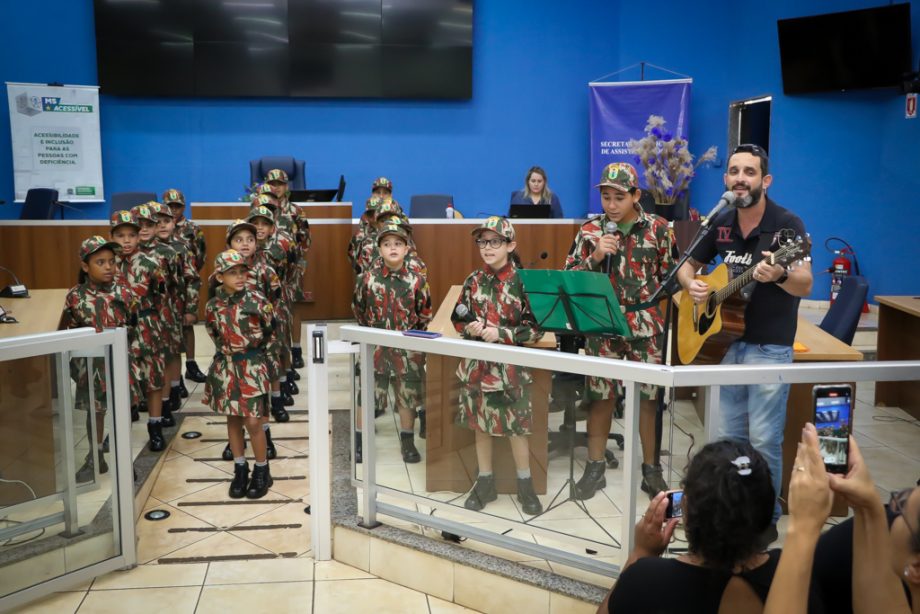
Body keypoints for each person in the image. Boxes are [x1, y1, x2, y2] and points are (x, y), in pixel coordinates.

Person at [676, 143, 813, 537]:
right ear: (725, 179)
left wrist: (781, 276)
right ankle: (731, 512)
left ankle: (766, 520)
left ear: (765, 180)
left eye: (749, 172)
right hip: (725, 344)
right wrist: (695, 286)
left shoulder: (788, 226)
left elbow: (805, 282)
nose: (740, 178)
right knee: (727, 438)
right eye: (734, 171)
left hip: (769, 346)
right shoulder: (720, 222)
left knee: (765, 439)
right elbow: (687, 267)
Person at [601, 439, 823, 613]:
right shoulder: (793, 574)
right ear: (767, 508)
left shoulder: (646, 578)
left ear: (686, 508)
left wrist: (641, 553)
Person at [563, 162, 675, 499]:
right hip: (603, 325)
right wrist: (596, 256)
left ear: (636, 195)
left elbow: (671, 277)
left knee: (649, 400)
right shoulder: (589, 231)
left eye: (619, 197)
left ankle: (651, 470)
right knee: (600, 398)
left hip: (645, 327)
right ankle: (594, 468)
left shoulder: (659, 229)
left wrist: (646, 303)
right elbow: (569, 277)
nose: (611, 205)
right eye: (606, 197)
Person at [452, 216, 544, 516]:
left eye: (495, 241)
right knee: (481, 426)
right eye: (482, 242)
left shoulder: (523, 282)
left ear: (510, 245)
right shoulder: (472, 280)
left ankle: (525, 483)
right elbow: (458, 319)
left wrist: (501, 334)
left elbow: (537, 328)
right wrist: (471, 329)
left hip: (511, 371)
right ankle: (485, 481)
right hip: (478, 368)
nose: (487, 248)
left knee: (518, 428)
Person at [352, 220, 432, 463]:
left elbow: (425, 313)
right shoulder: (367, 279)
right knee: (366, 394)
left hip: (407, 348)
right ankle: (360, 441)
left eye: (398, 243)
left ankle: (407, 441)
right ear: (379, 249)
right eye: (387, 244)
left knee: (407, 395)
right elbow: (359, 310)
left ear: (407, 249)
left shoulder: (417, 280)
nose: (393, 248)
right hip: (375, 347)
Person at [62, 236, 137, 481]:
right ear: (85, 266)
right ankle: (95, 458)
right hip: (90, 366)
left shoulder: (125, 293)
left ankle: (123, 459)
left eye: (112, 262)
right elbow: (70, 331)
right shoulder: (75, 296)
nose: (108, 267)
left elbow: (133, 326)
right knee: (94, 412)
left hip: (119, 361)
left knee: (121, 411)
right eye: (100, 262)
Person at [204, 249, 276, 499]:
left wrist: (258, 359)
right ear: (220, 277)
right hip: (225, 367)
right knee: (233, 420)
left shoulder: (257, 301)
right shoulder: (212, 305)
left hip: (252, 365)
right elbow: (212, 331)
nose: (239, 277)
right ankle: (240, 468)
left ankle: (261, 470)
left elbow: (270, 331)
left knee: (254, 422)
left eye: (242, 272)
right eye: (232, 273)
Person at [214, 218, 284, 462]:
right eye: (238, 239)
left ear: (258, 242)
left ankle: (265, 437)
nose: (244, 244)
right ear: (229, 244)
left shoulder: (265, 271)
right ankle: (237, 447)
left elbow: (274, 307)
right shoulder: (221, 278)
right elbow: (215, 326)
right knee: (234, 407)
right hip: (234, 352)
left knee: (258, 403)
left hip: (259, 348)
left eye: (250, 239)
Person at [110, 210, 168, 445]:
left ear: (138, 237)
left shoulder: (151, 262)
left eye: (131, 235)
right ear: (111, 235)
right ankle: (120, 429)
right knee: (121, 378)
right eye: (120, 235)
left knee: (152, 378)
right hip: (118, 329)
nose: (126, 241)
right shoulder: (106, 263)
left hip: (146, 325)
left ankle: (155, 426)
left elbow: (161, 296)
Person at [162, 188, 208, 386]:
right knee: (169, 333)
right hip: (166, 292)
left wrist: (188, 275)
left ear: (183, 206)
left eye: (177, 206)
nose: (173, 210)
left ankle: (190, 364)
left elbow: (201, 256)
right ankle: (175, 376)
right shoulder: (158, 226)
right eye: (169, 206)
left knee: (187, 326)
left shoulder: (192, 229)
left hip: (185, 286)